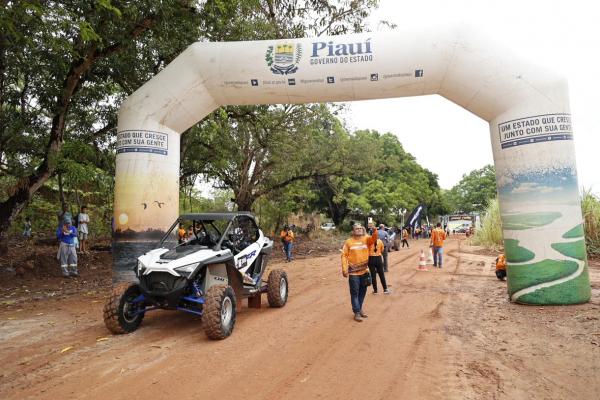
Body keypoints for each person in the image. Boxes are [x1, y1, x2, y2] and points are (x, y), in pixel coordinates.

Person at [341, 222, 378, 322]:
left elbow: (374, 239)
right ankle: (356, 312)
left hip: (364, 271)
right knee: (354, 293)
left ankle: (359, 308)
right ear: (353, 231)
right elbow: (344, 255)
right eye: (357, 229)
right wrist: (344, 269)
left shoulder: (366, 239)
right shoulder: (348, 242)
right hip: (353, 273)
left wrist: (374, 230)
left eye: (361, 228)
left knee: (363, 291)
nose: (359, 230)